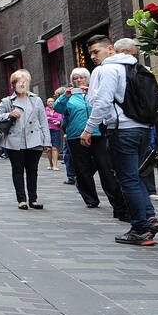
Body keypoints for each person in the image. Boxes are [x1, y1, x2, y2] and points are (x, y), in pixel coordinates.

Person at [82, 35, 158, 245]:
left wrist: (89, 129)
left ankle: (140, 228)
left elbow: (102, 102)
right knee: (135, 176)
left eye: (95, 51)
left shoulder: (109, 69)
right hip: (143, 129)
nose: (92, 56)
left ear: (110, 49)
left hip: (122, 129)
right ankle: (149, 217)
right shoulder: (136, 67)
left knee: (127, 179)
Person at [56, 68, 126, 213]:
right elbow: (58, 108)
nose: (79, 80)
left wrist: (92, 93)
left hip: (98, 134)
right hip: (76, 136)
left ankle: (116, 200)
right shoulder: (70, 97)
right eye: (75, 78)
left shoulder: (95, 92)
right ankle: (90, 199)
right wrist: (65, 96)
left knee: (105, 167)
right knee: (82, 169)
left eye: (82, 77)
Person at [0, 69, 53, 209]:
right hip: (15, 142)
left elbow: (43, 122)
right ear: (13, 84)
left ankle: (33, 199)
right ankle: (21, 200)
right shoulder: (7, 101)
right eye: (19, 82)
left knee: (33, 171)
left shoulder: (36, 100)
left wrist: (47, 142)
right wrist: (8, 114)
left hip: (34, 141)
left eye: (24, 82)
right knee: (17, 170)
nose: (22, 84)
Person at [45, 93, 63, 171]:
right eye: (49, 101)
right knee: (48, 148)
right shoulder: (44, 110)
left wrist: (49, 118)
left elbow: (60, 119)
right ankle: (50, 164)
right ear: (47, 103)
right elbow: (44, 118)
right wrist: (53, 120)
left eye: (52, 101)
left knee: (54, 148)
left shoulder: (58, 109)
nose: (50, 103)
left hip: (56, 130)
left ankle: (55, 165)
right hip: (47, 130)